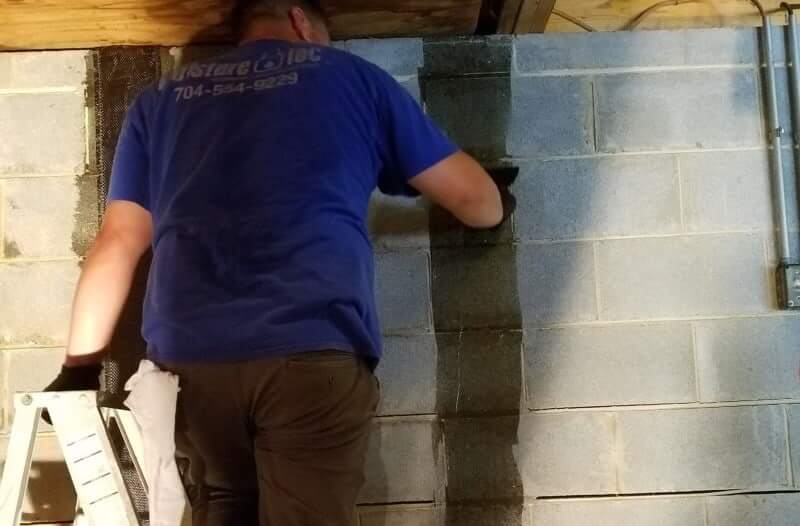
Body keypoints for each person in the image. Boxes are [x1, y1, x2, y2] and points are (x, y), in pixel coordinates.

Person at [43, 0, 514, 524]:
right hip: (308, 351)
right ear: (300, 20)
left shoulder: (160, 100)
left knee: (224, 504)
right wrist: (498, 201)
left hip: (191, 366)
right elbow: (478, 203)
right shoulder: (353, 78)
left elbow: (119, 240)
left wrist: (78, 368)